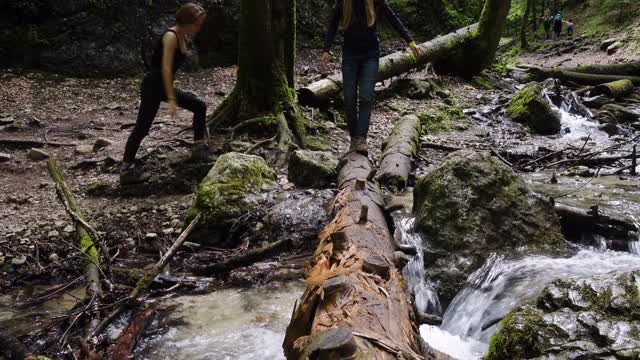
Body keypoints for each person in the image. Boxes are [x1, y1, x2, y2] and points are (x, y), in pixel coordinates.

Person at [120, 3, 215, 185]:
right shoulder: (170, 36)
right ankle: (125, 170)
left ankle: (198, 149)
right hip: (153, 86)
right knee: (142, 128)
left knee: (199, 106)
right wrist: (171, 98)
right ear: (188, 21)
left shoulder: (183, 35)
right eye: (197, 23)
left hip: (163, 85)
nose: (199, 27)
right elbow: (165, 68)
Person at [321, 0, 421, 155]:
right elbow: (333, 23)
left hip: (370, 55)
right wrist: (326, 49)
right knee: (349, 98)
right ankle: (354, 138)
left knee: (366, 96)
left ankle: (360, 139)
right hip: (350, 55)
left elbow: (392, 17)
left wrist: (410, 41)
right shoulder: (342, 2)